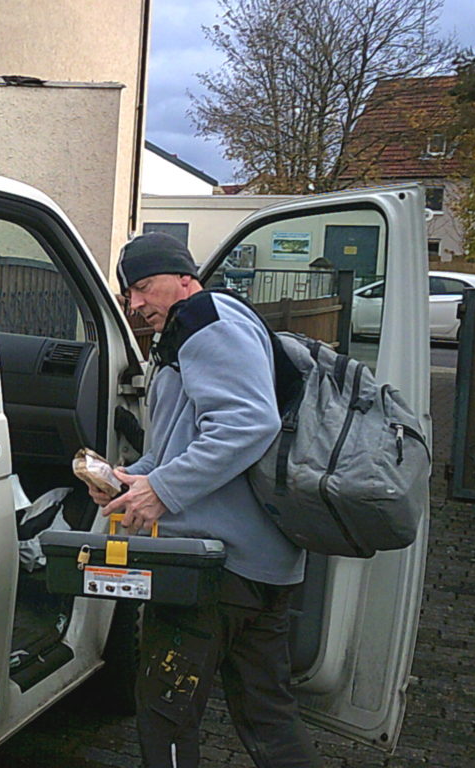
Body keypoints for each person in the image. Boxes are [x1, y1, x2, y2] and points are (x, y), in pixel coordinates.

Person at [86, 232, 322, 768]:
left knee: (165, 714)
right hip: (258, 564)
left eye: (145, 286)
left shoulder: (205, 317)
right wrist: (133, 479)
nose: (135, 303)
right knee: (267, 717)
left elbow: (247, 422)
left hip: (212, 568)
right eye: (128, 293)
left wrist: (164, 491)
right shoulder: (197, 329)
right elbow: (185, 443)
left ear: (185, 278)